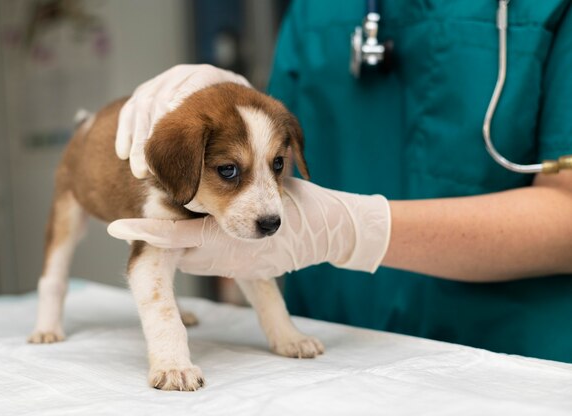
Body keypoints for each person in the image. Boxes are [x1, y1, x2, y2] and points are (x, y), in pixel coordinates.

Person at [108, 1, 572, 363]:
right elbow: (271, 146)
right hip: (331, 333)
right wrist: (221, 105)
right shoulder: (319, 6)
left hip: (506, 345)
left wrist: (355, 227)